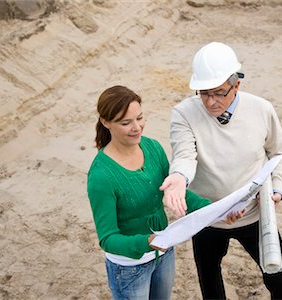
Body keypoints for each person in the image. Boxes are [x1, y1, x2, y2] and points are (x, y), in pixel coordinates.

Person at [161, 42, 282, 299]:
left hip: (254, 214)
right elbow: (184, 155)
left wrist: (277, 189)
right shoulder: (183, 113)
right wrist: (179, 177)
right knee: (210, 282)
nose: (211, 102)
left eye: (219, 93)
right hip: (208, 215)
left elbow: (278, 151)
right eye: (203, 93)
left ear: (237, 84)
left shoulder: (262, 109)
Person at [87, 85, 243, 300]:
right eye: (126, 123)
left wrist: (217, 211)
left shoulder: (152, 148)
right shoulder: (101, 176)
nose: (137, 128)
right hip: (129, 268)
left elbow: (179, 192)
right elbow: (108, 239)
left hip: (164, 252)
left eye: (140, 118)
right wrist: (148, 242)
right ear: (106, 122)